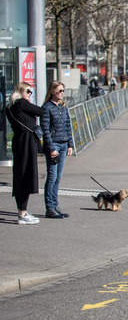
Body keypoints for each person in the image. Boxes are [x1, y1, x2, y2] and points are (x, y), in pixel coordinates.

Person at [7, 82, 43, 225]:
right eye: (28, 91)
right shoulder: (21, 103)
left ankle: (22, 210)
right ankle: (22, 213)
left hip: (19, 142)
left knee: (20, 174)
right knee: (26, 175)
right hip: (27, 143)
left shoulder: (10, 107)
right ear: (21, 91)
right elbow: (40, 111)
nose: (30, 94)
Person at [41, 81, 74, 219]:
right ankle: (49, 208)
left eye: (63, 91)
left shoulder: (63, 107)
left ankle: (55, 205)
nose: (62, 93)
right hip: (54, 145)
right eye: (59, 91)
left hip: (63, 144)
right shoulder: (47, 107)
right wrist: (51, 148)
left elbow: (68, 126)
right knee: (52, 176)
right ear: (52, 91)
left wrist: (70, 144)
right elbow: (45, 130)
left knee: (58, 178)